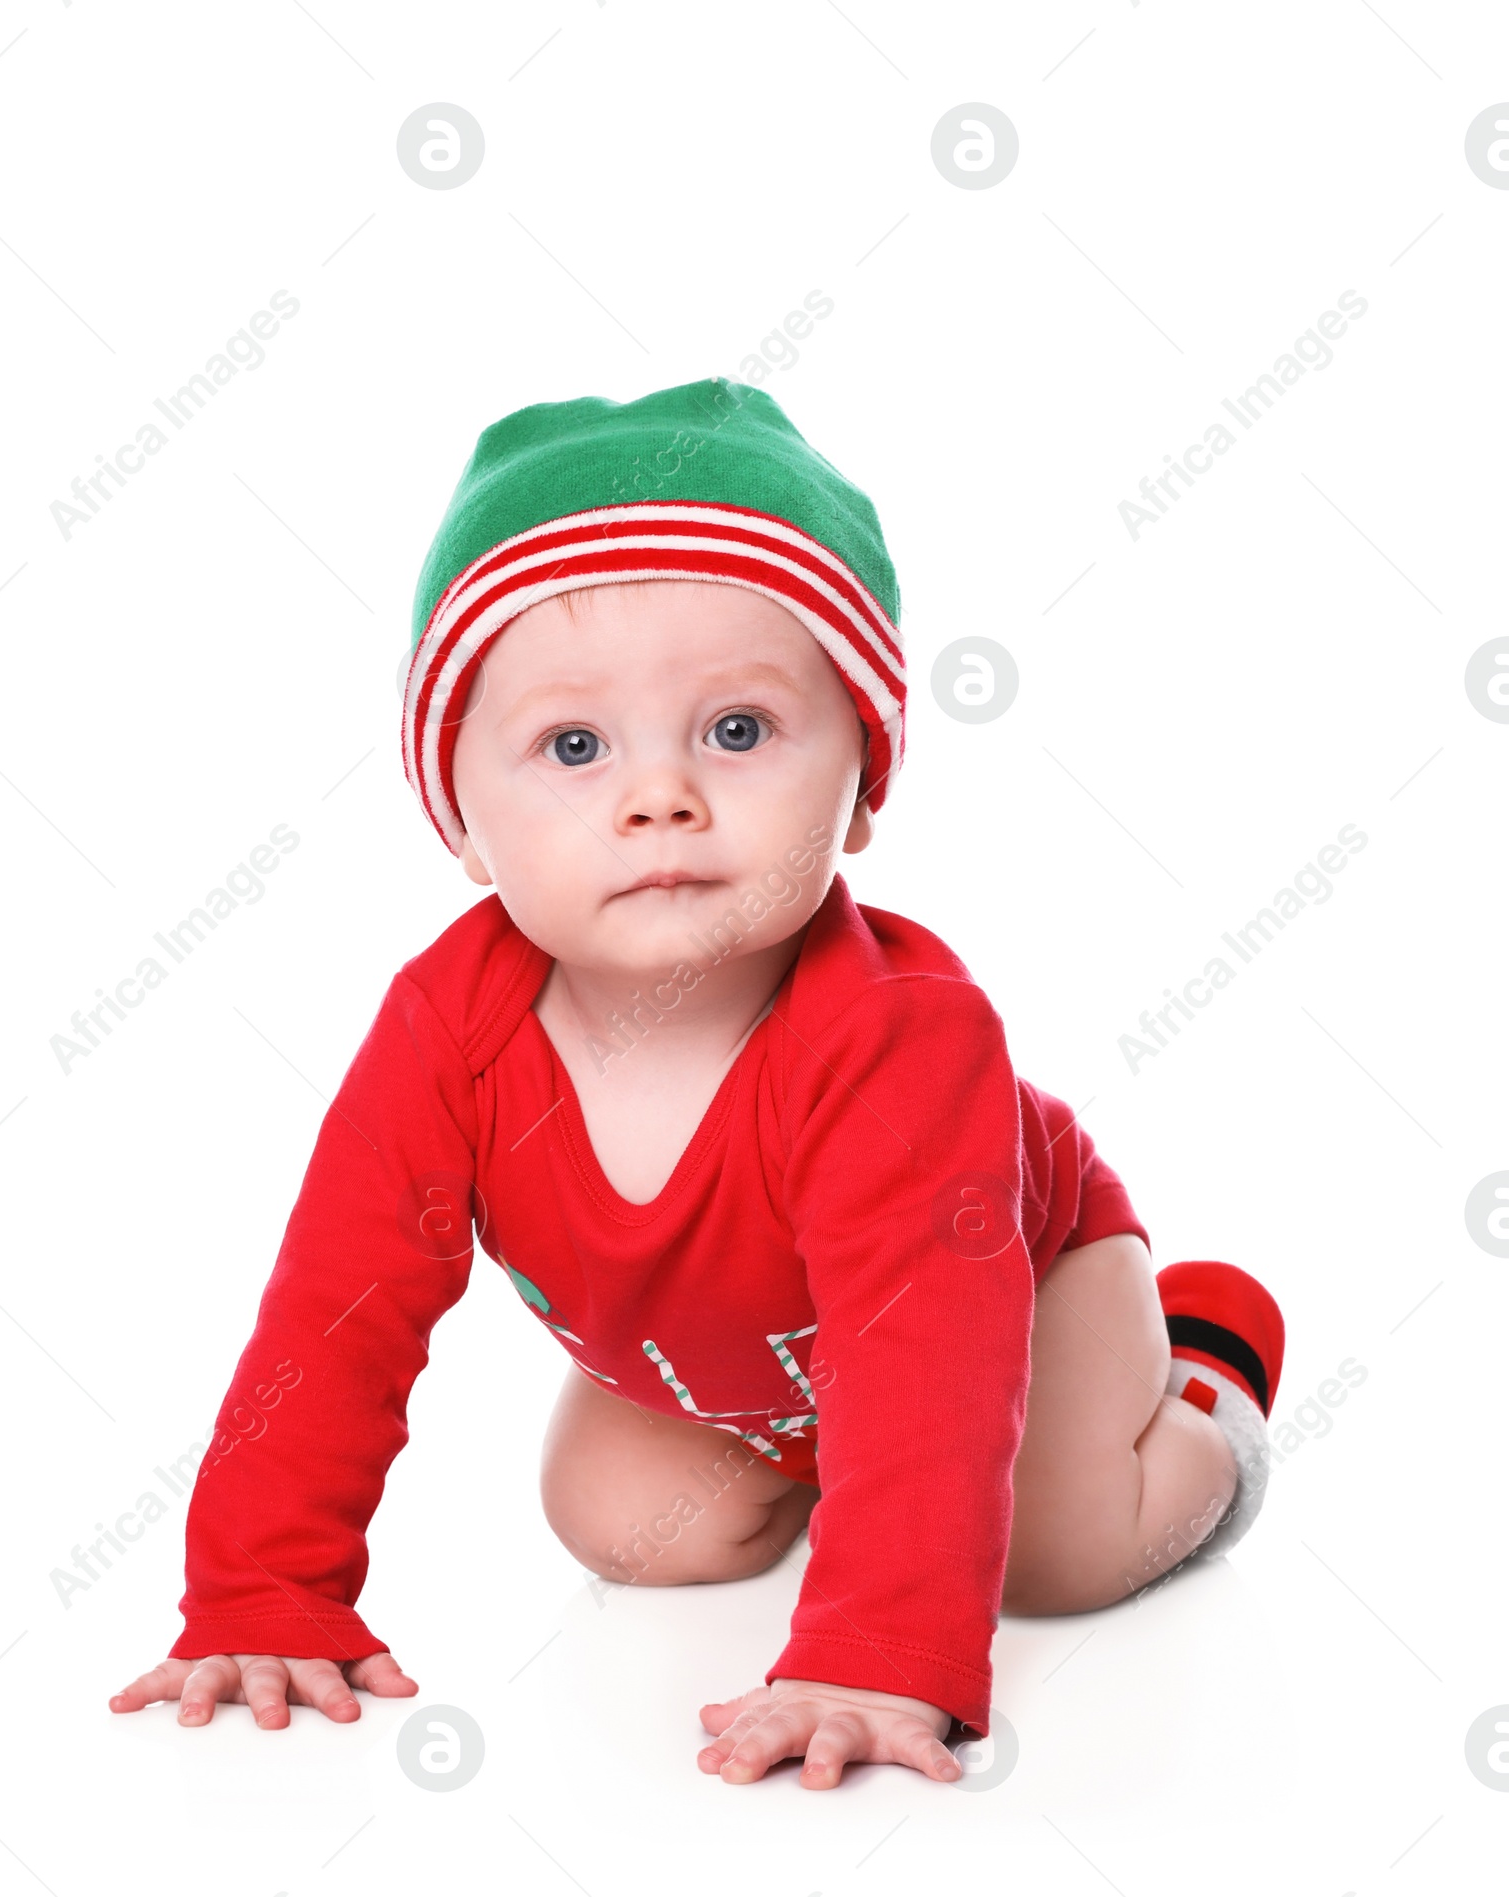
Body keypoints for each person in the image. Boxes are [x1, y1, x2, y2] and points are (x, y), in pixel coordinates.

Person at [110, 378, 1285, 1790]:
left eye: (737, 731)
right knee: (614, 1518)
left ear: (861, 790)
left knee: (1061, 1548)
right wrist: (261, 1586)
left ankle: (1203, 1371)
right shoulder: (447, 1031)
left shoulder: (900, 1036)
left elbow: (923, 1362)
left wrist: (872, 1645)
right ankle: (825, 1470)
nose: (657, 796)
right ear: (462, 820)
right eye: (574, 746)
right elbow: (335, 1312)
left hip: (1011, 1298)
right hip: (738, 1375)